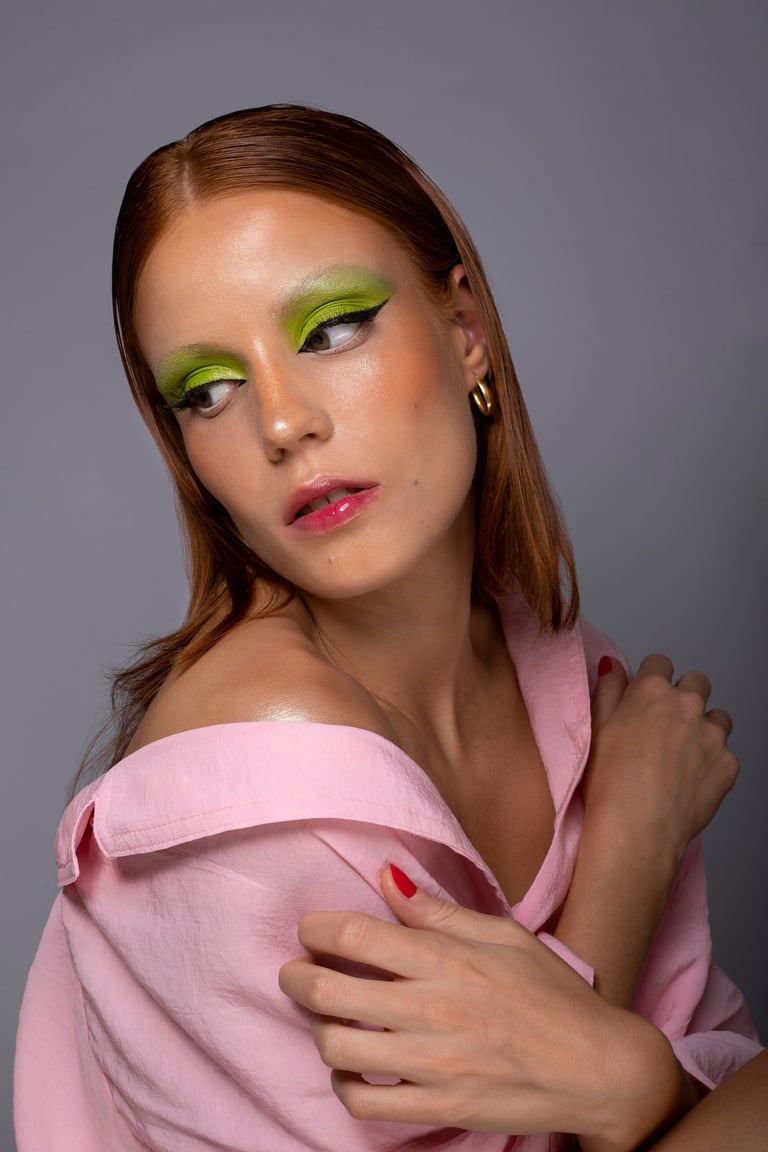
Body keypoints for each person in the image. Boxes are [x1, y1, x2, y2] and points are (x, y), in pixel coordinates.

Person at [13, 105, 762, 1151]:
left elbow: (715, 1074)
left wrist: (641, 1089)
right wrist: (628, 861)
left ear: (466, 333)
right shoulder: (252, 792)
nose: (283, 423)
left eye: (331, 330)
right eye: (209, 390)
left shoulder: (560, 675)